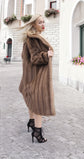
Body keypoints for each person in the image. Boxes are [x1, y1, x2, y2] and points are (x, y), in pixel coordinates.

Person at [15, 14, 56, 143]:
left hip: (30, 77)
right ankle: (37, 132)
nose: (43, 24)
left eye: (44, 22)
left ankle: (32, 122)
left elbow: (25, 57)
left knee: (33, 102)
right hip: (35, 78)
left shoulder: (30, 38)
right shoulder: (33, 39)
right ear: (33, 24)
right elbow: (35, 58)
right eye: (40, 22)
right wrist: (46, 54)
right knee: (38, 104)